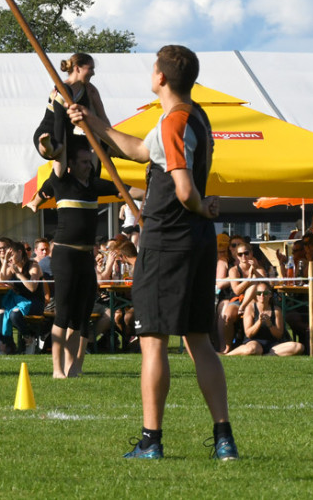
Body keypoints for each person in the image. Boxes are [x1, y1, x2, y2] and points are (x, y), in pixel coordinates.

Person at [69, 44, 237, 461]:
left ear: (161, 77)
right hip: (196, 239)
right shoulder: (193, 115)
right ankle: (223, 439)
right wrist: (96, 124)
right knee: (199, 341)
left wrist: (200, 202)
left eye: (152, 69)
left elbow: (182, 189)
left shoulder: (173, 122)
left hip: (168, 241)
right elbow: (142, 153)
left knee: (153, 341)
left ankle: (151, 440)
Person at [37, 144, 128, 377]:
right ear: (72, 165)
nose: (89, 166)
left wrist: (154, 192)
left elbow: (125, 190)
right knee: (63, 313)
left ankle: (74, 367)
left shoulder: (94, 186)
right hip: (65, 255)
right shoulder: (62, 183)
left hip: (86, 256)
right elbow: (59, 152)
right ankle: (58, 369)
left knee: (81, 315)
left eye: (90, 162)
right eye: (85, 162)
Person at [33, 52, 110, 161]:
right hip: (51, 132)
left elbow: (103, 118)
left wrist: (110, 140)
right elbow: (59, 120)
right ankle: (47, 146)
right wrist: (59, 144)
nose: (93, 73)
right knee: (53, 151)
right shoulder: (62, 88)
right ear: (77, 69)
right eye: (90, 68)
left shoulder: (90, 90)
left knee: (95, 148)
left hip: (70, 137)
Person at [225, 283, 303, 356]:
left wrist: (270, 325)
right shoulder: (250, 308)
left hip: (273, 345)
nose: (262, 295)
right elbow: (248, 334)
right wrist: (259, 322)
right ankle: (229, 355)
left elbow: (279, 335)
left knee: (299, 347)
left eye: (265, 293)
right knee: (253, 349)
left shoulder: (276, 310)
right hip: (255, 342)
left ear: (270, 295)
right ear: (255, 295)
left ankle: (268, 355)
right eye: (259, 293)